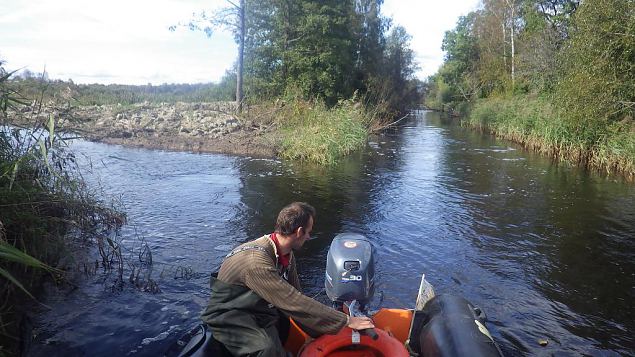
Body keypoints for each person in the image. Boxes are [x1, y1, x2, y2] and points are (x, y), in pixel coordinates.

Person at [201, 202, 374, 357]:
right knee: (266, 348)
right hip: (229, 315)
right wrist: (347, 321)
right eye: (308, 232)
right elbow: (292, 301)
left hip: (257, 309)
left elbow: (297, 294)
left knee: (284, 331)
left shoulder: (286, 254)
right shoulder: (256, 263)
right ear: (299, 231)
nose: (308, 237)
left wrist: (320, 332)